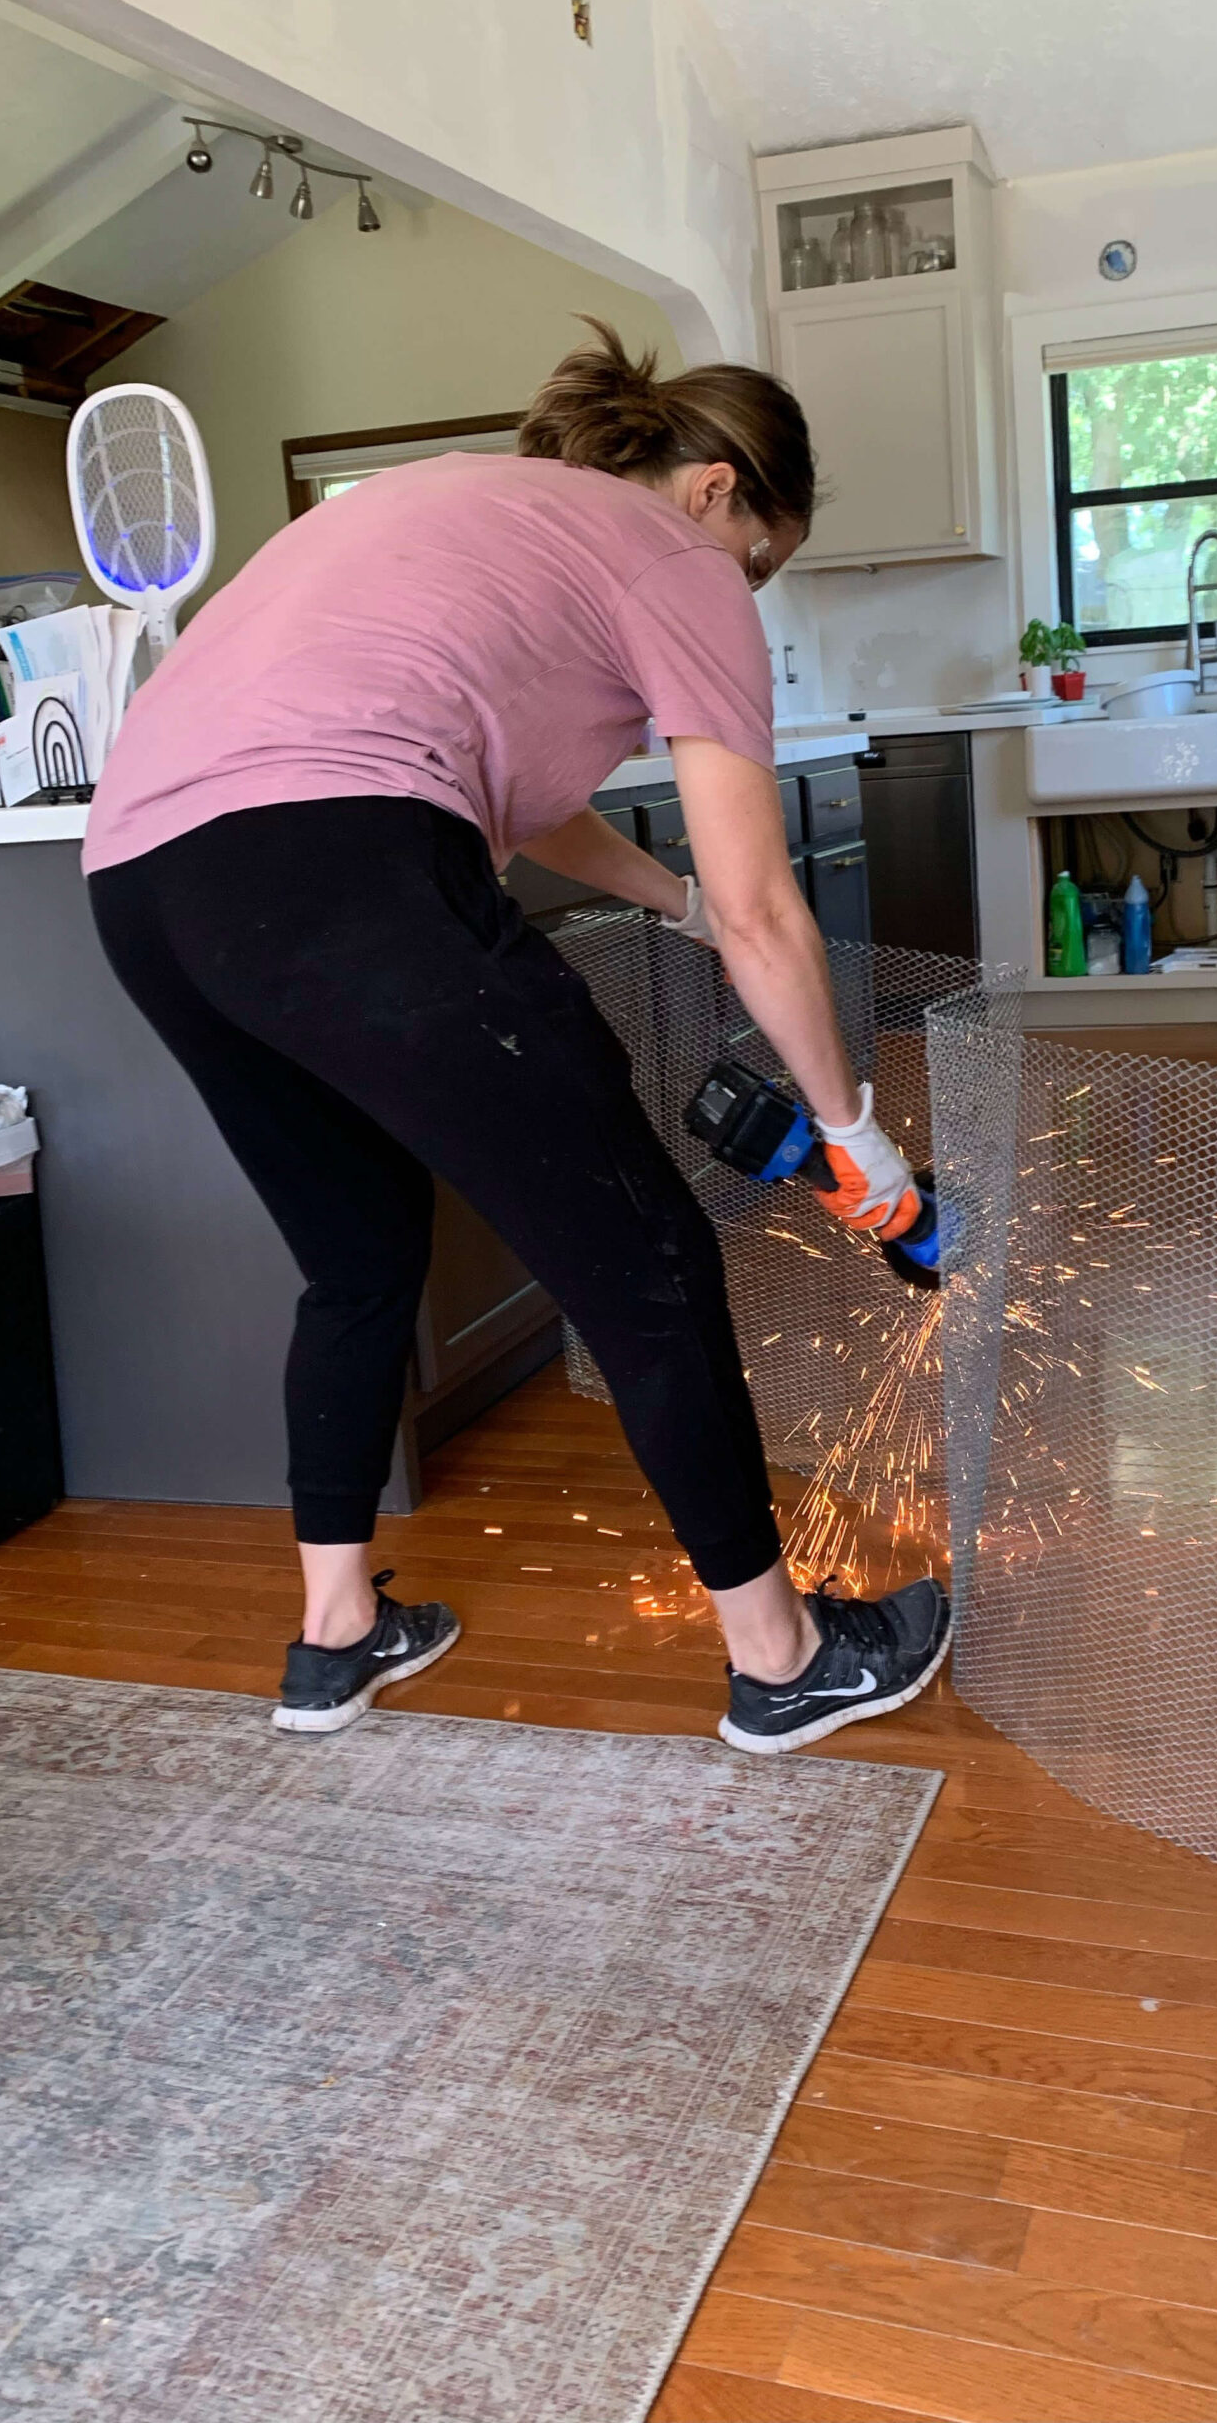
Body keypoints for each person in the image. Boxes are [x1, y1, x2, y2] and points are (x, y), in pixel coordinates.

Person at [83, 320, 949, 1753]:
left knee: (355, 1263)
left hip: (143, 882)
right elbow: (765, 913)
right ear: (718, 491)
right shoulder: (674, 556)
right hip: (336, 856)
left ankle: (336, 1636)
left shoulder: (481, 503)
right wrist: (860, 1138)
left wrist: (665, 897)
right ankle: (785, 1658)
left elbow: (537, 804)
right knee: (649, 1257)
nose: (746, 593)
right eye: (762, 564)